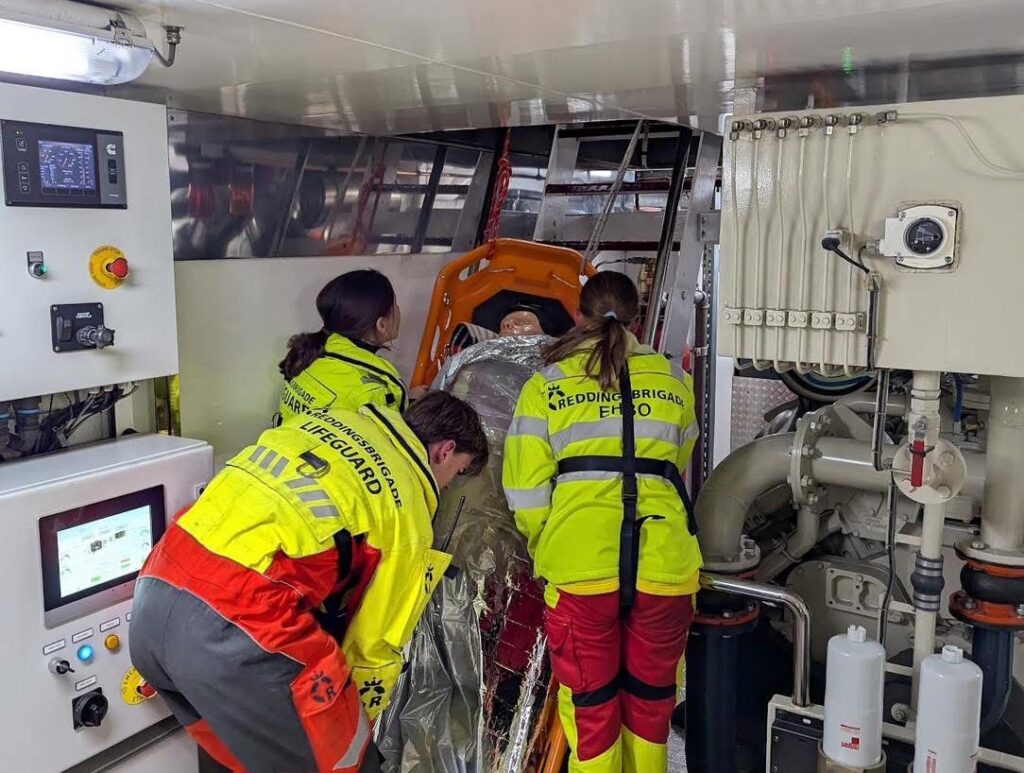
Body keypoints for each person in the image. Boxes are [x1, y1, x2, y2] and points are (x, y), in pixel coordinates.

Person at [130, 392, 488, 773]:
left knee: (241, 759)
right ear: (445, 451)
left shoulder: (329, 421)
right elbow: (373, 650)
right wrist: (359, 728)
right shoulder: (408, 514)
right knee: (348, 760)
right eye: (458, 473)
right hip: (239, 623)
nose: (448, 486)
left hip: (153, 599)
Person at [502, 271, 701, 773]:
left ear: (578, 315)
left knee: (591, 707)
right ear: (637, 318)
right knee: (651, 701)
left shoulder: (547, 384)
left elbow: (525, 490)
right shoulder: (676, 380)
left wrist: (549, 543)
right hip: (665, 563)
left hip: (580, 566)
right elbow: (678, 463)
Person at [278, 270, 406, 423]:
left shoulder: (313, 355)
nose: (399, 310)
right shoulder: (373, 392)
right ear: (382, 325)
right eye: (395, 305)